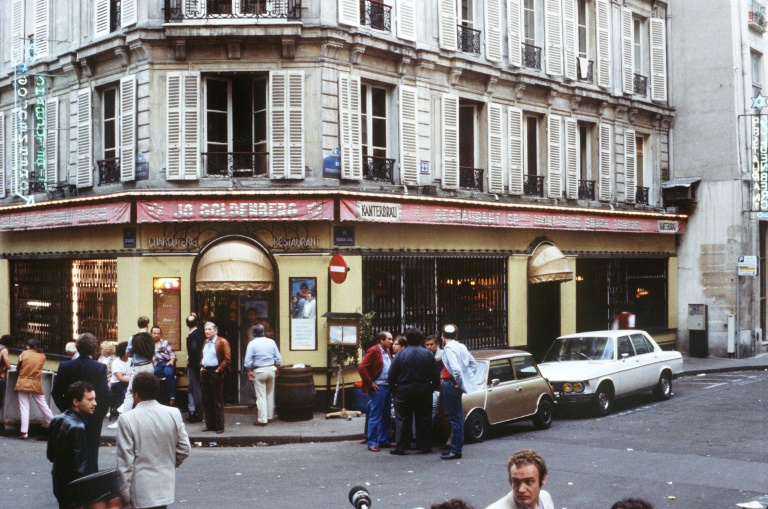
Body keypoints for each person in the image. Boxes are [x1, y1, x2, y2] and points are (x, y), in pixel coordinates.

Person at [116, 372, 191, 509]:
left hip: (139, 491)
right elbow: (184, 448)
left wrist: (124, 496)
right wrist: (169, 464)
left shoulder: (127, 419)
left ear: (135, 394)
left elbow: (125, 463)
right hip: (164, 487)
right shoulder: (173, 413)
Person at [51, 333, 110, 470]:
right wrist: (98, 413)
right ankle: (90, 479)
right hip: (92, 415)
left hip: (72, 412)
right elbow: (104, 395)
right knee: (91, 449)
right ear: (94, 349)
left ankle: (72, 478)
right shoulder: (99, 367)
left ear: (77, 347)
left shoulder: (65, 366)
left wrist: (67, 409)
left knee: (70, 448)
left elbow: (56, 392)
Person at [387, 328, 440, 455]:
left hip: (403, 389)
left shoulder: (401, 354)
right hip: (423, 389)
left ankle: (401, 447)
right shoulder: (428, 354)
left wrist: (394, 389)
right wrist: (431, 388)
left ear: (407, 340)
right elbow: (436, 375)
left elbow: (391, 374)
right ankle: (424, 446)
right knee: (424, 418)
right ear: (421, 340)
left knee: (403, 419)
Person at [47, 381, 98, 509]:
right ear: (76, 402)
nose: (95, 403)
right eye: (90, 399)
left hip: (59, 483)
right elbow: (81, 470)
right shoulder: (79, 428)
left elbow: (51, 455)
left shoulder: (57, 419)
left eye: (94, 399)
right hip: (76, 492)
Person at [440, 324, 477, 460]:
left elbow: (455, 369)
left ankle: (455, 450)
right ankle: (456, 448)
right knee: (458, 416)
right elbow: (473, 364)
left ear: (442, 336)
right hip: (454, 384)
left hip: (450, 384)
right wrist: (465, 380)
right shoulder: (462, 347)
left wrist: (458, 382)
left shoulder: (448, 349)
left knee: (455, 418)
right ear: (456, 335)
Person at [357, 331, 393, 452]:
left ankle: (383, 440)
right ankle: (372, 441)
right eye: (389, 339)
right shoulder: (373, 350)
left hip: (387, 386)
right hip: (379, 386)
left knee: (386, 414)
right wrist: (370, 383)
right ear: (381, 340)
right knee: (376, 414)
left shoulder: (387, 351)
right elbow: (362, 367)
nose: (391, 341)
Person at [486, 449, 554, 509]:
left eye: (528, 482)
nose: (521, 490)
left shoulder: (545, 497)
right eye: (516, 482)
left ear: (543, 480)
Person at [15, 338, 55, 439]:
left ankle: (24, 432)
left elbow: (18, 367)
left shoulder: (24, 354)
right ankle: (55, 426)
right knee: (43, 406)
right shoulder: (43, 356)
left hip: (23, 382)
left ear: (29, 346)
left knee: (24, 407)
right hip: (36, 383)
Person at [115, 317, 155, 417]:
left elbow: (128, 352)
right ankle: (149, 416)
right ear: (147, 325)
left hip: (137, 367)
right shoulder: (150, 338)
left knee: (130, 392)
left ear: (138, 325)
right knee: (149, 390)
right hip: (149, 365)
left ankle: (125, 417)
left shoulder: (133, 338)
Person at [243, 323, 282, 426]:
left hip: (259, 371)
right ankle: (269, 416)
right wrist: (277, 369)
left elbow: (247, 361)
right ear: (263, 332)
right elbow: (278, 358)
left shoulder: (252, 344)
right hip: (271, 369)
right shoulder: (271, 342)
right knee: (270, 395)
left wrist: (249, 371)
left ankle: (262, 419)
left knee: (261, 396)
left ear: (253, 333)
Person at [200, 321, 231, 434]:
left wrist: (218, 370)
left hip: (215, 372)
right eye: (205, 329)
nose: (207, 331)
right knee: (207, 400)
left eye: (209, 329)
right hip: (205, 371)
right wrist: (201, 366)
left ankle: (219, 426)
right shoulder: (205, 342)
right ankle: (210, 425)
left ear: (215, 330)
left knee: (217, 400)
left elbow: (227, 359)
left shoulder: (222, 342)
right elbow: (202, 355)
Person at [185, 314, 205, 423]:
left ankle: (197, 414)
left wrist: (190, 362)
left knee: (194, 389)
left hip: (194, 365)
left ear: (187, 325)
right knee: (197, 389)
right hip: (202, 364)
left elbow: (193, 350)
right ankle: (197, 413)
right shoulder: (202, 333)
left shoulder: (192, 336)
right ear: (197, 323)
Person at [151, 326, 177, 406]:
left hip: (167, 362)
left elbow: (172, 354)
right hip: (157, 365)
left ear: (160, 334)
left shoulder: (165, 343)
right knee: (155, 373)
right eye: (154, 333)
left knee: (168, 373)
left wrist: (172, 361)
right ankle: (174, 371)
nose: (156, 335)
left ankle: (172, 397)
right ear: (151, 334)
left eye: (158, 333)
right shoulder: (149, 345)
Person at [109, 342, 131, 419]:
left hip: (128, 382)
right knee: (128, 391)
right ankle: (123, 411)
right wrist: (132, 381)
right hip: (118, 384)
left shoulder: (131, 360)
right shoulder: (116, 363)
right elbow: (120, 378)